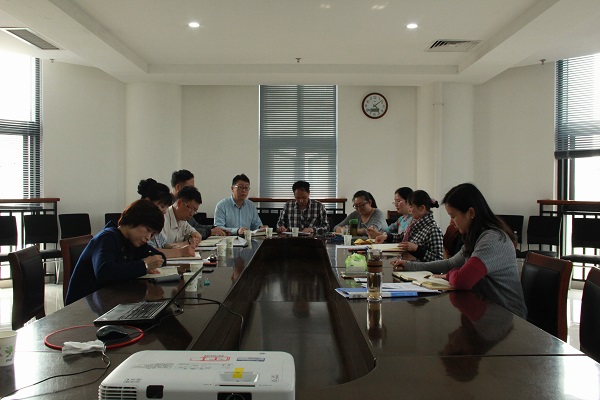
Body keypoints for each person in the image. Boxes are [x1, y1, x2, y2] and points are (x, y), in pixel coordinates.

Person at [392, 183, 527, 318]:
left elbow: (463, 280)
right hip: (484, 310)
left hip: (507, 316)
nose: (451, 223)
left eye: (453, 216)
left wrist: (448, 275)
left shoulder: (492, 239)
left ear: (471, 213)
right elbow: (450, 263)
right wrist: (409, 265)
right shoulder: (476, 237)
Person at [65, 199, 166, 305]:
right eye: (148, 230)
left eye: (152, 234)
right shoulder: (107, 237)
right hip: (84, 307)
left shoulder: (132, 241)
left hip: (110, 299)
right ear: (133, 220)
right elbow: (104, 272)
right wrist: (144, 266)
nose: (148, 237)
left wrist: (152, 263)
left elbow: (160, 257)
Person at [138, 178, 196, 258]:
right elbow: (150, 252)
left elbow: (164, 244)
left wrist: (174, 247)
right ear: (147, 201)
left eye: (166, 207)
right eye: (162, 206)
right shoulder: (139, 222)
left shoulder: (153, 223)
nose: (165, 211)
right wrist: (180, 252)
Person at [171, 169, 229, 237]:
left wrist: (215, 228)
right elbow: (188, 232)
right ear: (178, 187)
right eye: (190, 187)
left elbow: (194, 226)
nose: (192, 190)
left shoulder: (187, 205)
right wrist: (209, 231)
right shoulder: (168, 207)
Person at [392, 190, 444, 262]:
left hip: (421, 268)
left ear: (422, 208)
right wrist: (387, 237)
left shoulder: (433, 229)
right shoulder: (415, 224)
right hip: (410, 264)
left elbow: (438, 260)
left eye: (411, 207)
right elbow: (402, 237)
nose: (409, 210)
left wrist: (416, 249)